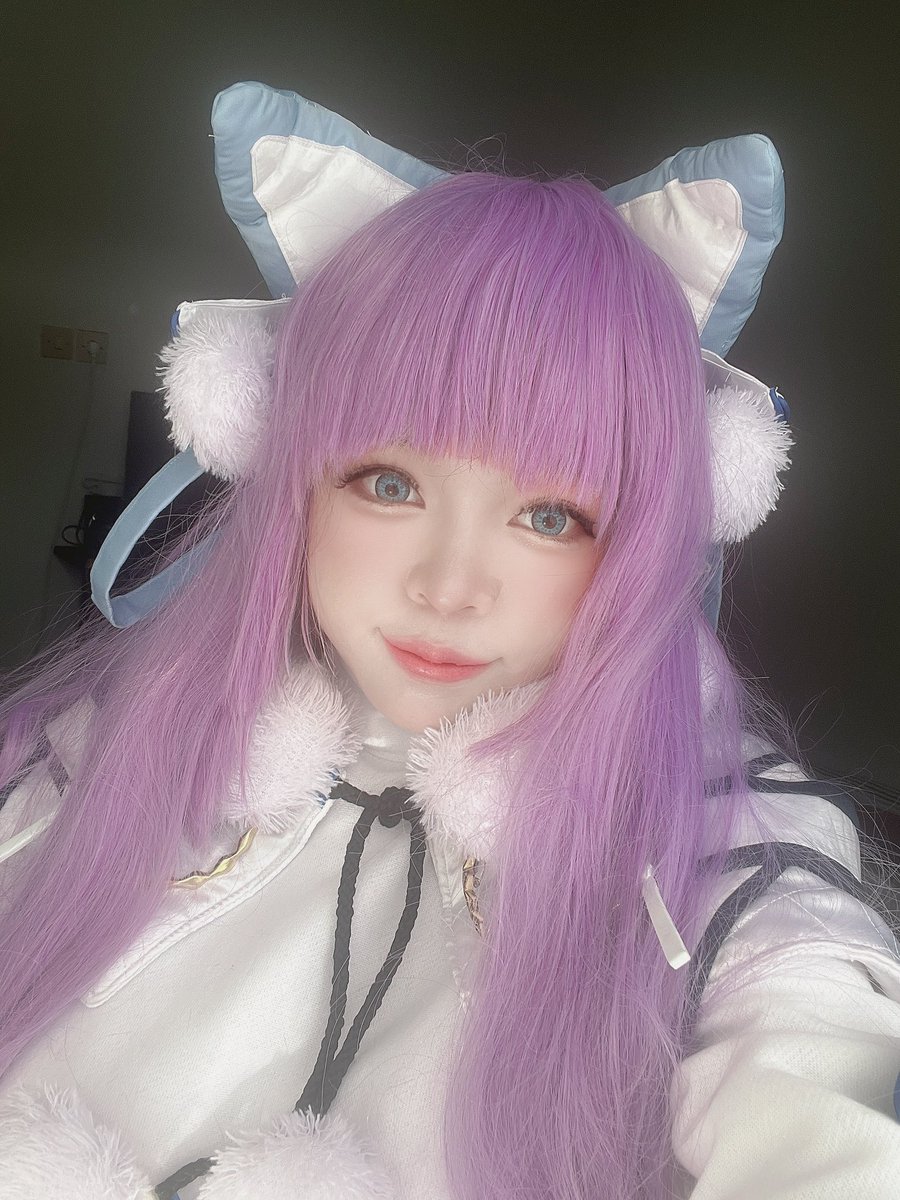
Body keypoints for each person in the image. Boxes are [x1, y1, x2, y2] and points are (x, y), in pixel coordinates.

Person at [1, 169, 900, 1200]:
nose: (448, 587)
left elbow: (823, 1088)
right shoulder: (104, 747)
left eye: (551, 516)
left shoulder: (716, 831)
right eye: (389, 483)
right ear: (290, 476)